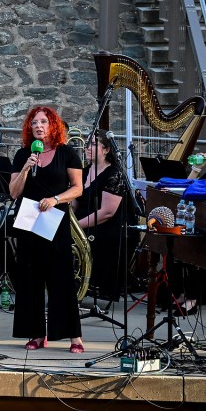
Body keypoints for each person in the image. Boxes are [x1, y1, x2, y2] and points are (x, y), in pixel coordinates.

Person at [9, 106, 84, 353]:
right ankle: (36, 334)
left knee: (60, 277)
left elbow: (77, 188)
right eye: (34, 123)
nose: (38, 126)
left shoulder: (67, 153)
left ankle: (73, 335)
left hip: (54, 221)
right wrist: (26, 168)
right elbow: (14, 192)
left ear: (53, 125)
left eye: (43, 122)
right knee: (30, 279)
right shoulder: (23, 155)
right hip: (29, 223)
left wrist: (55, 199)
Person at [73, 130, 130, 303]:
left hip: (105, 227)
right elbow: (75, 203)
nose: (87, 148)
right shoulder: (83, 171)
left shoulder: (114, 174)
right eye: (87, 144)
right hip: (82, 223)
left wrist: (75, 228)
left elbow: (107, 212)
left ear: (106, 150)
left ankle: (87, 286)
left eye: (93, 144)